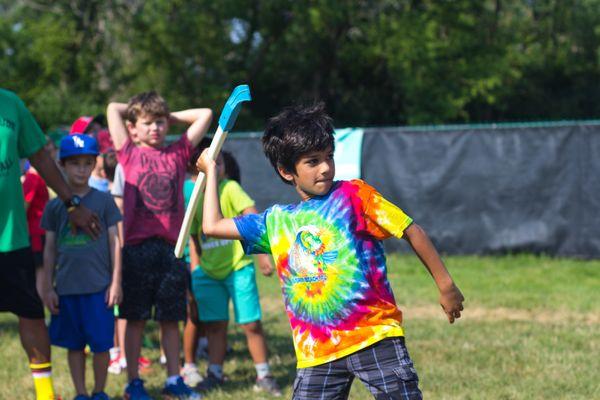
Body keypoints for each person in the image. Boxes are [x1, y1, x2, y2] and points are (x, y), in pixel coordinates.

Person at [195, 103, 465, 400]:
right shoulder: (276, 221)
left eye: (329, 157)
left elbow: (411, 230)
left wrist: (446, 285)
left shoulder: (355, 196)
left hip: (374, 337)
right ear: (287, 171)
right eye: (312, 161)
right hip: (317, 353)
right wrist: (208, 174)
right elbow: (212, 225)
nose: (325, 167)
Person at [106, 91, 212, 400]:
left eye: (160, 123)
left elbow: (205, 112)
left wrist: (166, 113)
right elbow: (113, 108)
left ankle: (173, 380)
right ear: (134, 128)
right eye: (148, 123)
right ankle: (133, 382)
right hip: (136, 249)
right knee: (135, 319)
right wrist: (142, 111)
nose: (155, 128)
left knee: (171, 318)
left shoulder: (178, 153)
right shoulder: (127, 152)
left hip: (171, 249)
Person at [0, 88, 99, 400]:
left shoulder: (11, 104)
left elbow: (40, 155)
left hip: (11, 238)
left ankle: (45, 395)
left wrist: (72, 203)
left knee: (30, 314)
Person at [38, 134, 123, 400]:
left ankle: (99, 391)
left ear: (95, 163)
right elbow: (49, 249)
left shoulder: (105, 200)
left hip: (99, 288)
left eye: (88, 162)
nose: (82, 169)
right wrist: (48, 287)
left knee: (100, 346)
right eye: (75, 163)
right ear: (62, 165)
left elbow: (115, 243)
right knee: (74, 346)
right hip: (66, 289)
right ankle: (81, 393)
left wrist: (116, 281)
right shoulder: (54, 207)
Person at [21, 161, 50, 270]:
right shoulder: (33, 177)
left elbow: (24, 205)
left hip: (38, 232)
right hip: (37, 233)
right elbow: (25, 204)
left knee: (40, 269)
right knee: (40, 269)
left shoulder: (34, 177)